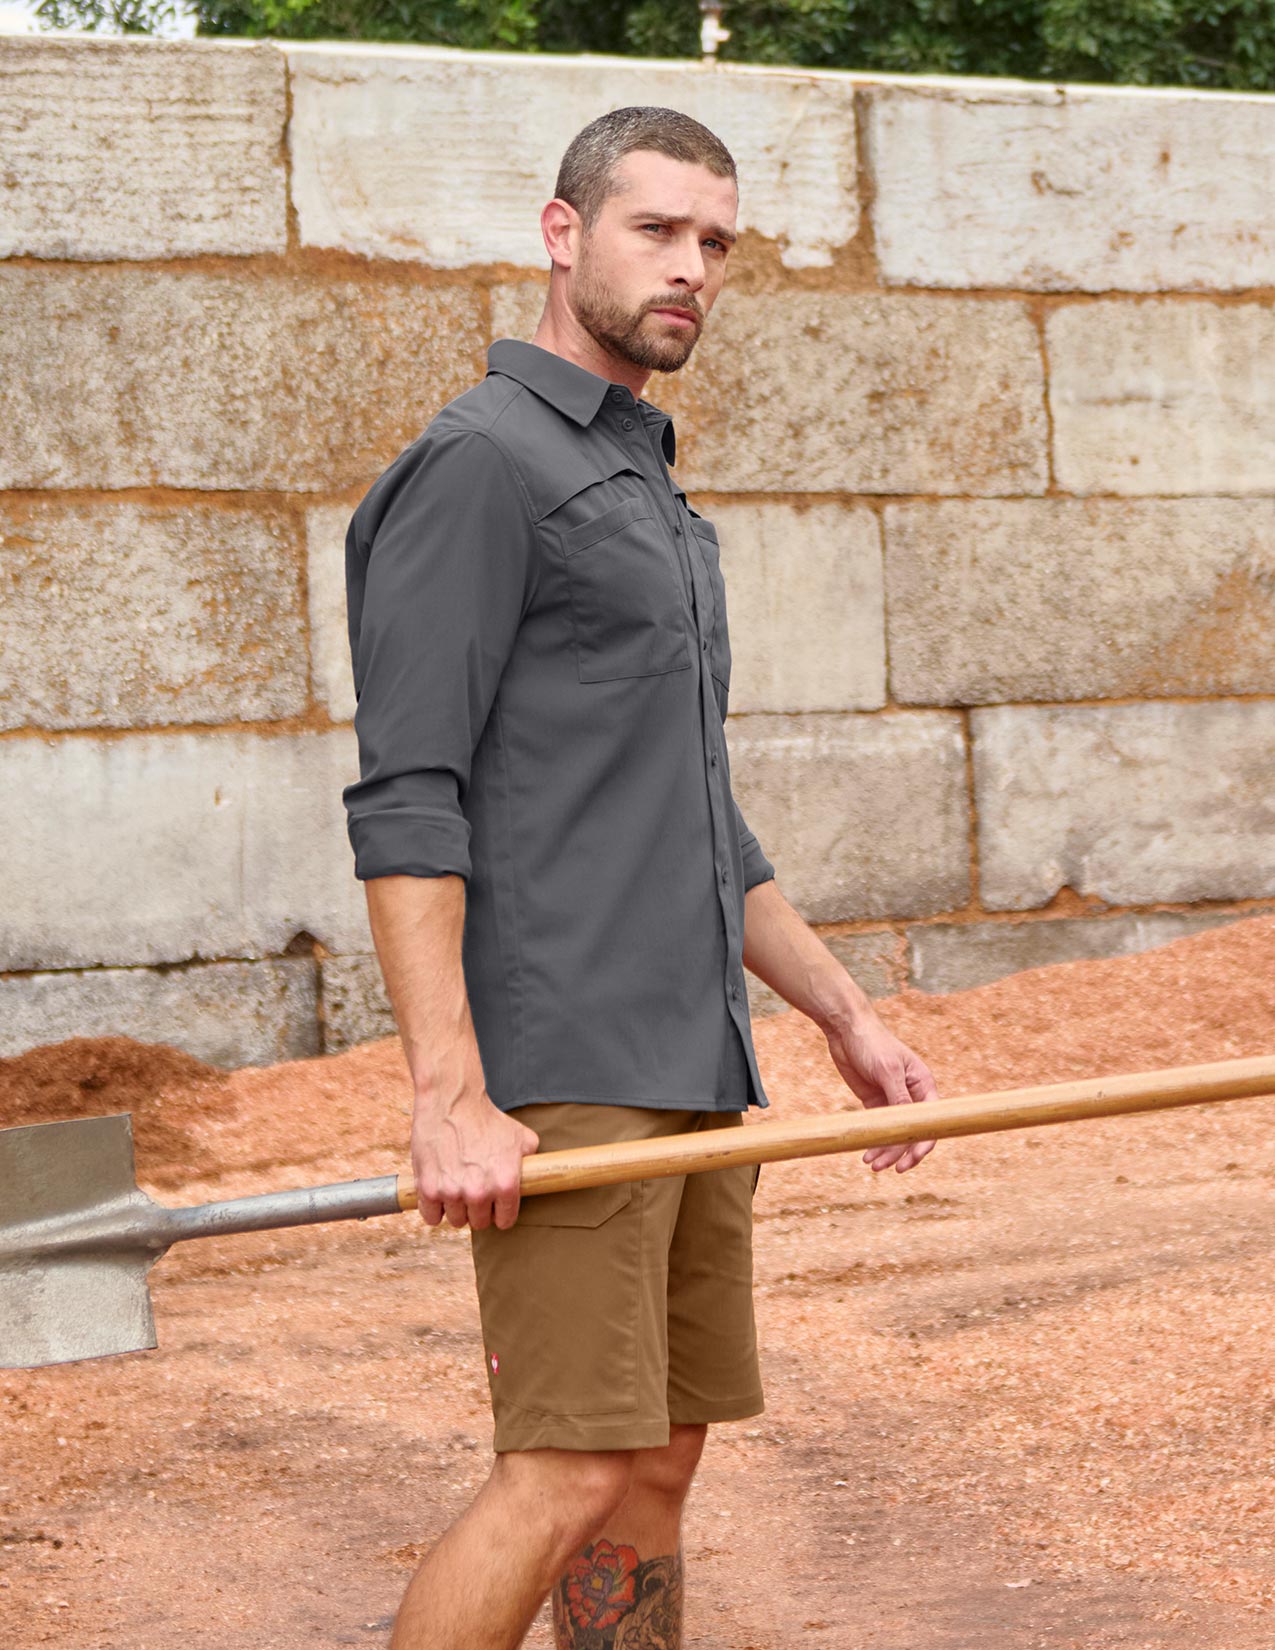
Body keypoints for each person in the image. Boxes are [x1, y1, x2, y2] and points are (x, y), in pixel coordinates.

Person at [342, 105, 939, 1650]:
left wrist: (840, 1015)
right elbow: (409, 797)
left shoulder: (653, 493)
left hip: (692, 1057)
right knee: (566, 1464)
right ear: (564, 234)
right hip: (568, 1072)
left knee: (657, 1464)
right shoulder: (481, 468)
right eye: (655, 230)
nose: (691, 268)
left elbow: (699, 823)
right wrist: (446, 1089)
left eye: (716, 243)